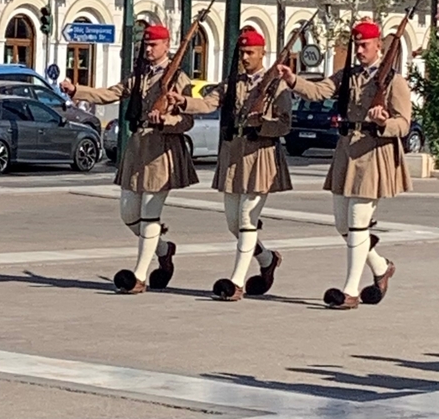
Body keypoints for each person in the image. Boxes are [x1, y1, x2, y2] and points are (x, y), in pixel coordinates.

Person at [277, 20, 412, 309]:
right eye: (357, 44)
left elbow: (404, 124)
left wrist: (383, 122)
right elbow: (319, 91)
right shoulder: (347, 75)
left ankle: (350, 291)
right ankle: (380, 267)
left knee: (357, 224)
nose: (360, 49)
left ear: (379, 46)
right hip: (346, 152)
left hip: (374, 153)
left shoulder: (394, 81)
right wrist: (292, 80)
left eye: (365, 45)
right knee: (343, 224)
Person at [60, 25, 198, 294]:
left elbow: (187, 119)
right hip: (138, 148)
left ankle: (140, 276)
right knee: (128, 214)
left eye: (153, 45)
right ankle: (164, 249)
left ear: (166, 46)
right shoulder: (140, 75)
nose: (148, 49)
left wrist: (167, 120)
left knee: (149, 214)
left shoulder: (180, 79)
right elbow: (111, 93)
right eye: (145, 45)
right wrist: (76, 90)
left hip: (162, 148)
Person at [168, 30, 292, 301]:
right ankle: (268, 259)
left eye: (250, 53)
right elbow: (209, 102)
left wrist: (263, 122)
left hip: (260, 156)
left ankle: (236, 282)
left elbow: (285, 124)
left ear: (262, 52)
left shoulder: (276, 86)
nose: (245, 58)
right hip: (234, 156)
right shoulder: (232, 83)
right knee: (233, 224)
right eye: (242, 53)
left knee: (247, 220)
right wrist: (184, 102)